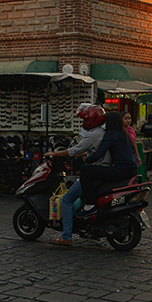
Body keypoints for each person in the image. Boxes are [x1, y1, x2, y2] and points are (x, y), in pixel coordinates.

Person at [46, 104, 109, 246]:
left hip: (93, 174)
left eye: (85, 119)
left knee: (66, 199)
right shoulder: (102, 132)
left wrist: (53, 154)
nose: (83, 122)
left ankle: (66, 236)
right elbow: (91, 151)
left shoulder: (93, 134)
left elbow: (73, 151)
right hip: (103, 171)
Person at [76, 111, 139, 218]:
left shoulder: (111, 134)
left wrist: (87, 160)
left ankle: (89, 205)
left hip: (121, 171)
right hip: (133, 169)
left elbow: (98, 154)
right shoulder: (124, 134)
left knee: (85, 170)